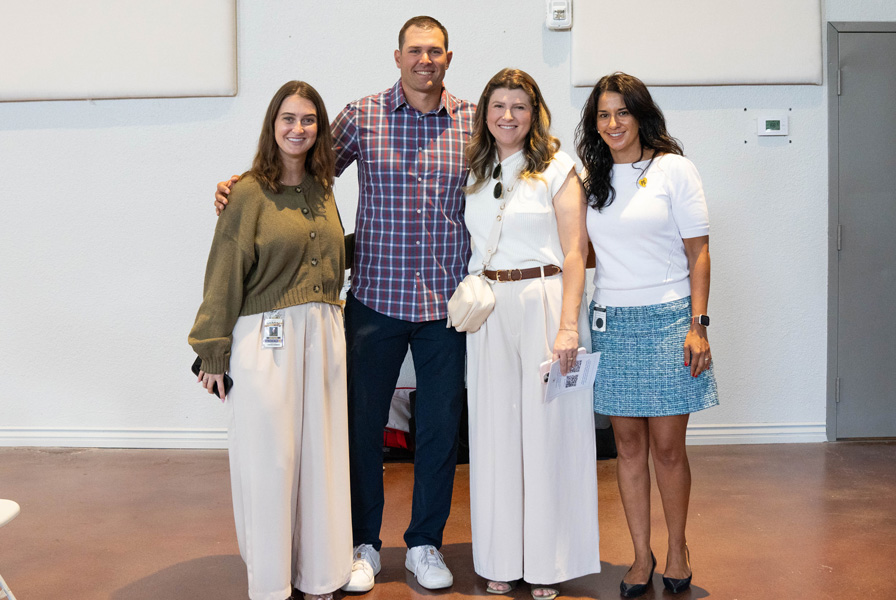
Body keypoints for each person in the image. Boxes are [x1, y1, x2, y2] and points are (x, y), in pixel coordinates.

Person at [214, 16, 474, 593]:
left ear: (448, 58)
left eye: (435, 51)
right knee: (359, 429)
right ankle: (362, 543)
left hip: (445, 306)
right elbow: (299, 164)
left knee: (439, 429)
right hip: (373, 303)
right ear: (398, 57)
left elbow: (506, 183)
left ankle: (426, 544)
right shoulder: (362, 116)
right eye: (414, 51)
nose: (424, 60)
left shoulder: (474, 123)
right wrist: (242, 186)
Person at [190, 81, 351, 600]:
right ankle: (271, 583)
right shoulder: (245, 192)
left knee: (320, 460)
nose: (297, 129)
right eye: (288, 119)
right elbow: (225, 271)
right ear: (271, 126)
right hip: (266, 340)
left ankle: (320, 575)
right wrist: (211, 350)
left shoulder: (324, 189)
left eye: (308, 120)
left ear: (319, 130)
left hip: (323, 336)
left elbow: (326, 257)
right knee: (270, 461)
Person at [575, 72, 719, 598]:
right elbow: (587, 255)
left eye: (622, 113)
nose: (613, 124)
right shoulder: (592, 181)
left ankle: (677, 548)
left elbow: (698, 252)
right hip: (611, 323)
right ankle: (641, 556)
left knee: (667, 449)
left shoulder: (674, 170)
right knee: (627, 448)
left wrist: (697, 324)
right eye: (603, 115)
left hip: (668, 320)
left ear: (641, 115)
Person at [463, 68, 600, 600]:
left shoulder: (559, 168)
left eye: (519, 106)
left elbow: (574, 252)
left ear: (535, 111)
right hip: (491, 307)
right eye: (498, 105)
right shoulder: (475, 169)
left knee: (549, 433)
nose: (508, 116)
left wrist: (569, 326)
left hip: (544, 302)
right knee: (494, 433)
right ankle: (501, 557)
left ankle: (548, 562)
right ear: (485, 112)